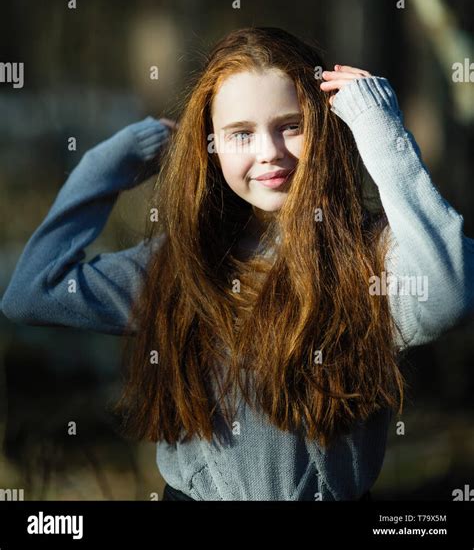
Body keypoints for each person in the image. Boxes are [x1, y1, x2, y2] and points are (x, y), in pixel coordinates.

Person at [2, 27, 474, 501]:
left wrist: (380, 129)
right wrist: (109, 164)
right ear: (211, 146)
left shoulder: (371, 255)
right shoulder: (181, 264)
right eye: (240, 134)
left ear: (328, 126)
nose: (269, 152)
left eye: (291, 125)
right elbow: (32, 291)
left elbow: (448, 295)